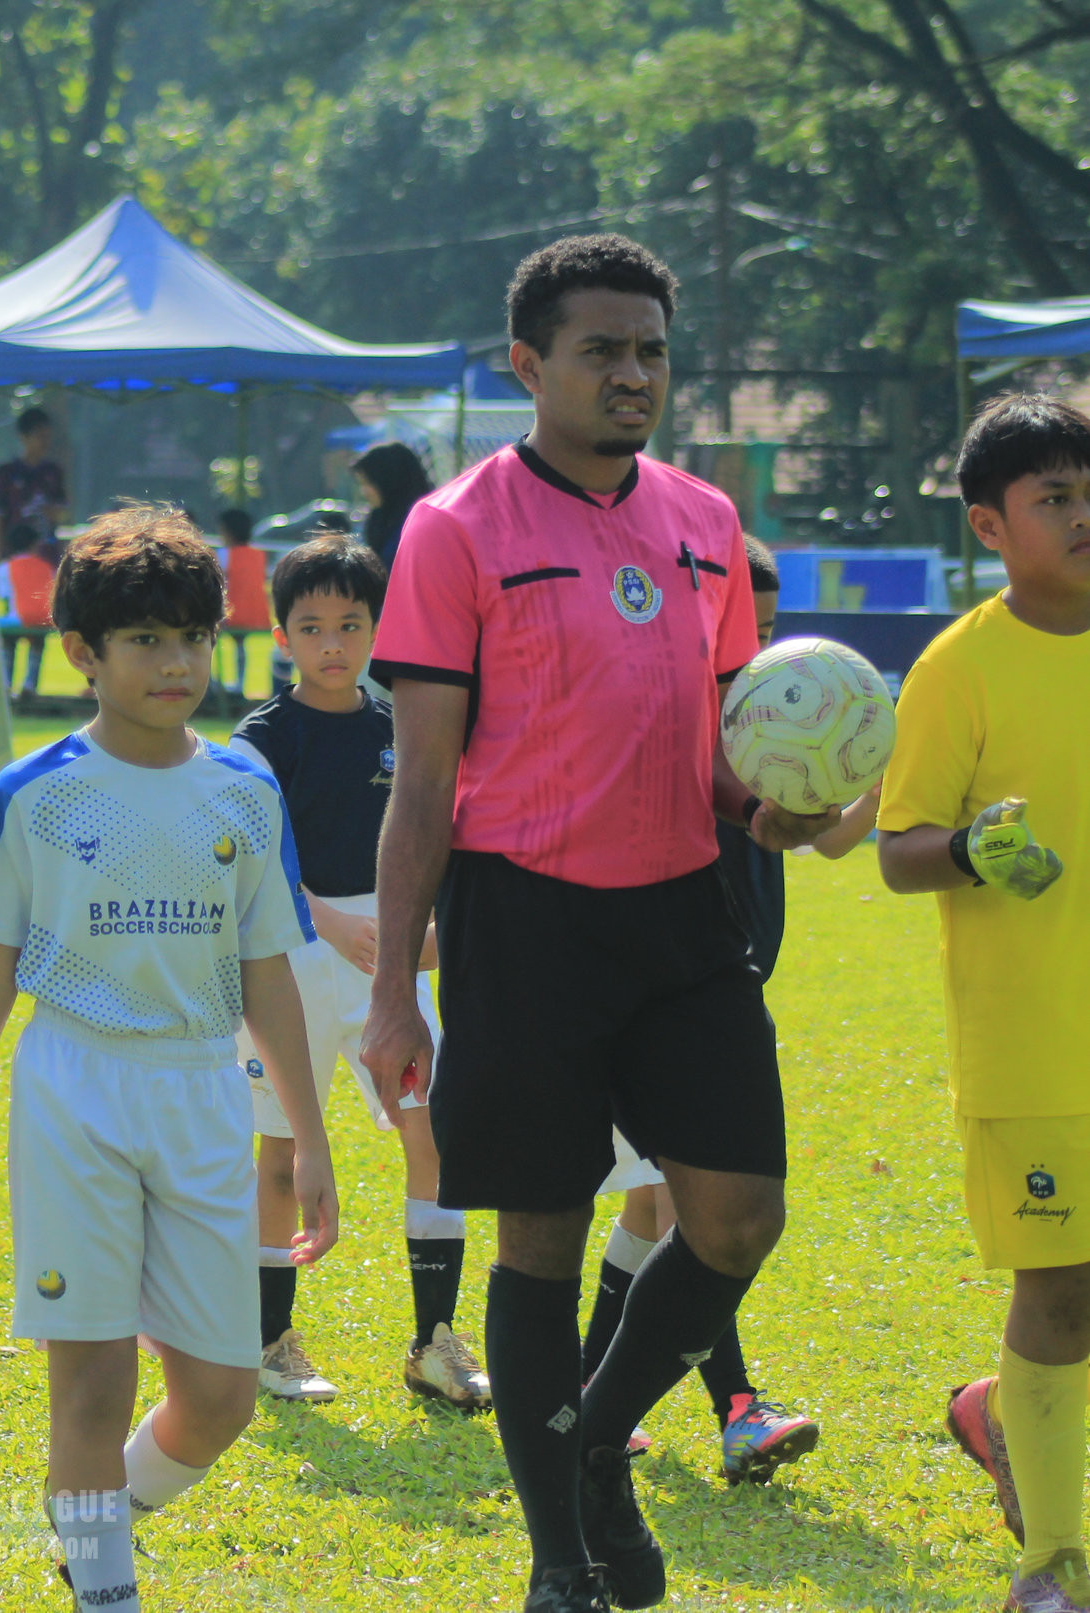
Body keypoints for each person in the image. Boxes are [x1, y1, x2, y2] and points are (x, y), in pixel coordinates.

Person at [359, 235, 842, 1613]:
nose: (631, 374)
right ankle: (557, 1555)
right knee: (539, 1239)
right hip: (522, 923)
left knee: (737, 1217)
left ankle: (585, 1445)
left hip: (684, 917)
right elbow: (422, 788)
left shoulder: (696, 516)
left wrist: (781, 807)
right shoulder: (453, 528)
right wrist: (396, 987)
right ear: (526, 365)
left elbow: (724, 748)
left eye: (648, 351)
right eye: (599, 350)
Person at [0, 505, 339, 1613]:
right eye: (147, 639)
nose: (178, 662)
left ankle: (90, 1528)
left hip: (202, 1090)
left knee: (222, 1395)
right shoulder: (36, 792)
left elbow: (267, 975)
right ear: (82, 653)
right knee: (91, 1378)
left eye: (194, 636)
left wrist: (311, 1138)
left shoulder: (243, 790)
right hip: (75, 1089)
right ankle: (107, 1588)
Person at [578, 534, 873, 1483]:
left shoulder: (784, 715)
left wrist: (875, 766)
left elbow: (825, 844)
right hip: (652, 992)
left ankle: (592, 1396)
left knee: (658, 1203)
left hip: (729, 986)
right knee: (697, 1208)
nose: (759, 644)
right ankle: (733, 1408)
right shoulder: (665, 712)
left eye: (773, 626)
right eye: (746, 623)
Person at [877, 395, 1087, 1613]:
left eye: (1089, 490)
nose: (1080, 514)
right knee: (1059, 1287)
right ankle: (1049, 1563)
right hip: (1031, 1045)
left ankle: (997, 1412)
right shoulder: (959, 665)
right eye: (1051, 497)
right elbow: (898, 850)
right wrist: (969, 849)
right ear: (988, 525)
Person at [225, 534, 482, 1412]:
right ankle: (269, 1342)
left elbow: (432, 841)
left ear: (378, 627)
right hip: (287, 959)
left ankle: (433, 1341)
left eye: (350, 623)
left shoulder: (396, 722)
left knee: (432, 1130)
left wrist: (424, 931)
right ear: (281, 633)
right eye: (311, 626)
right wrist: (326, 919)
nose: (331, 643)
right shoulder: (261, 738)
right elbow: (246, 863)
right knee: (280, 1148)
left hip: (388, 963)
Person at [0, 405, 67, 558]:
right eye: (39, 436)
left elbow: (63, 513)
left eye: (47, 436)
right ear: (24, 437)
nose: (45, 442)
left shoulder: (53, 471)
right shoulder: (6, 472)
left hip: (47, 553)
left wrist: (52, 512)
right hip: (15, 554)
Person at [351, 441, 435, 576]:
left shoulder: (423, 525)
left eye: (368, 483)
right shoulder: (379, 520)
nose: (364, 492)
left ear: (388, 481)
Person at [0, 526, 57, 698]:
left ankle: (6, 683)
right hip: (44, 618)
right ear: (35, 544)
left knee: (7, 638)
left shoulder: (4, 568)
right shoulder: (47, 567)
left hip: (19, 617)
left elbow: (5, 599)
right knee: (37, 641)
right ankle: (30, 684)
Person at [218, 507, 271, 696]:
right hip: (257, 613)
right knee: (241, 646)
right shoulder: (259, 554)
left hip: (234, 614)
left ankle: (220, 687)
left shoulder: (225, 554)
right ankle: (239, 685)